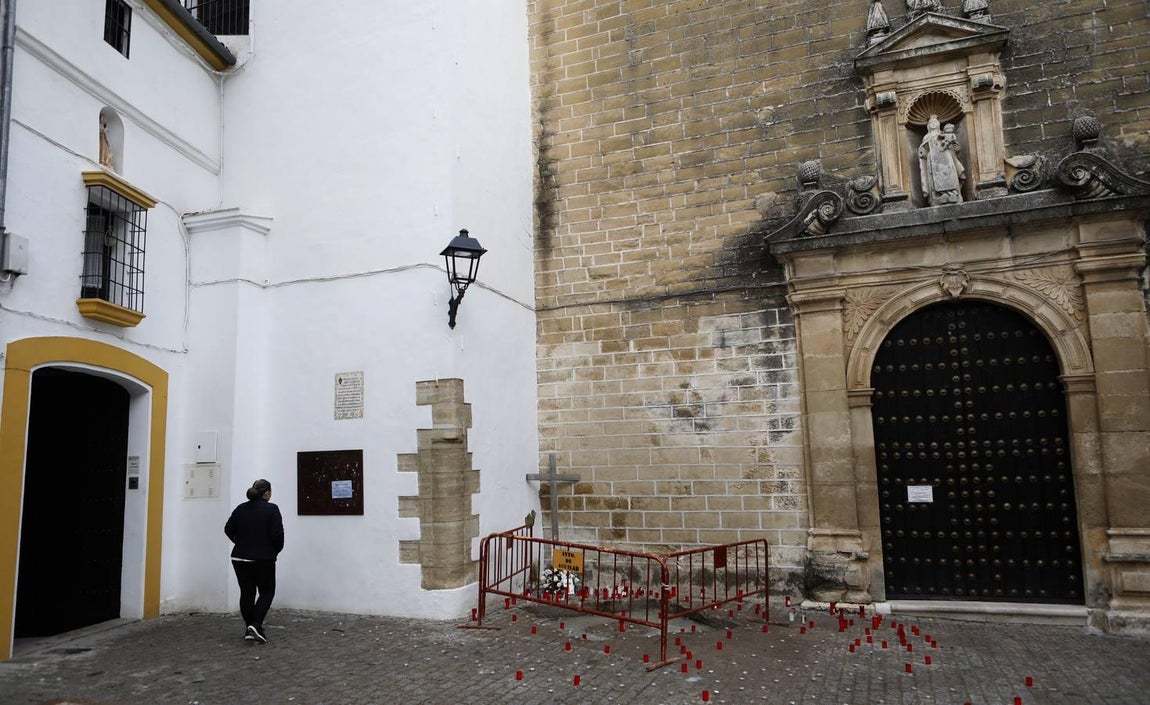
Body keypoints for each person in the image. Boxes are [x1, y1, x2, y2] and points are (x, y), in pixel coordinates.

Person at [224, 479, 284, 643]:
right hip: (263, 559)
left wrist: (239, 542)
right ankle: (256, 624)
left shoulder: (240, 508)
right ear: (267, 493)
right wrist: (274, 551)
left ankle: (249, 628)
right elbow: (277, 535)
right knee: (267, 592)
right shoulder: (272, 509)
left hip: (239, 557)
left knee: (247, 593)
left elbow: (228, 529)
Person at [917, 114, 965, 205]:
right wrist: (923, 153)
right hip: (933, 159)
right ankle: (937, 196)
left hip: (946, 158)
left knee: (949, 174)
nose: (933, 124)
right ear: (928, 126)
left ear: (938, 124)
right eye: (931, 123)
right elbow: (924, 149)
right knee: (935, 177)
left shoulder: (943, 133)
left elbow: (954, 147)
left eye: (935, 122)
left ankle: (953, 193)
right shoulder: (926, 137)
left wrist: (954, 147)